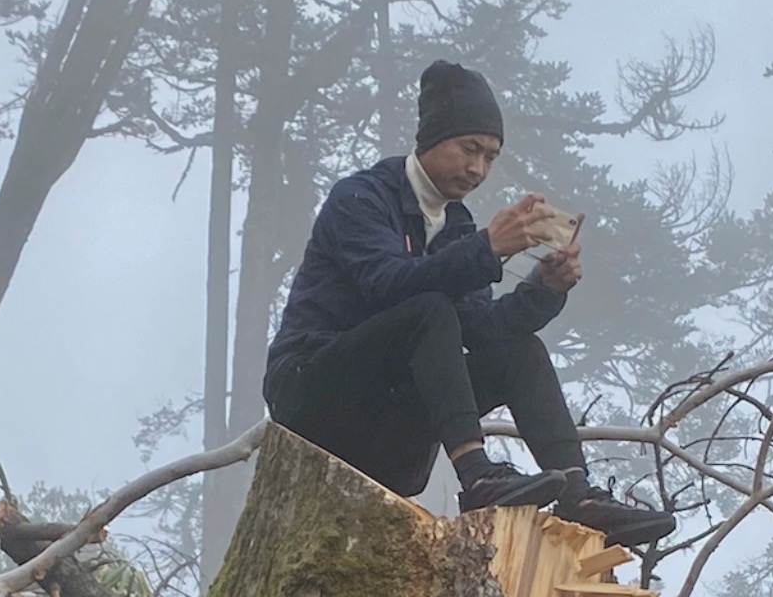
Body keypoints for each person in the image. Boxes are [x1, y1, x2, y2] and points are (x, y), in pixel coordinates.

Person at [263, 61, 676, 549]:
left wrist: (544, 289)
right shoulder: (361, 196)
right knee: (429, 309)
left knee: (518, 350)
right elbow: (386, 285)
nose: (478, 168)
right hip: (311, 397)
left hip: (385, 425)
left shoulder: (456, 228)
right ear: (431, 138)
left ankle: (578, 495)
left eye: (491, 156)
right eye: (469, 148)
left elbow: (481, 331)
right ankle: (476, 476)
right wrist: (487, 250)